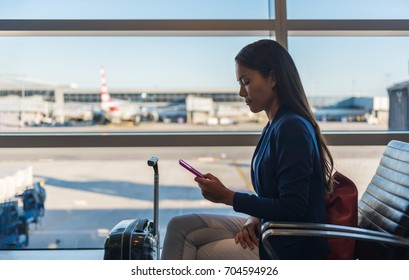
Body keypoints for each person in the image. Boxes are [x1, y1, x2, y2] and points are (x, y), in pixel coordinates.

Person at [161, 39, 334, 260]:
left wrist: (229, 197)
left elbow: (293, 208)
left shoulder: (292, 128)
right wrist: (253, 217)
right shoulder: (274, 126)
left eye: (246, 81)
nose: (241, 92)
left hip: (289, 246)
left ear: (272, 78)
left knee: (193, 249)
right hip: (270, 228)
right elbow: (272, 196)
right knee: (180, 226)